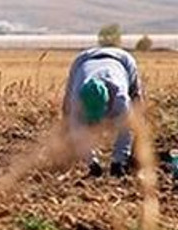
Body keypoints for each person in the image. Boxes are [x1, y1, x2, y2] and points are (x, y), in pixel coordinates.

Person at [61, 46, 143, 177]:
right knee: (66, 113)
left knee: (137, 111)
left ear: (108, 102)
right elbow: (77, 129)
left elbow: (126, 129)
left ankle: (136, 154)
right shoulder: (76, 99)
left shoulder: (120, 99)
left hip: (122, 60)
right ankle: (68, 153)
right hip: (83, 59)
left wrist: (119, 161)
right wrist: (91, 162)